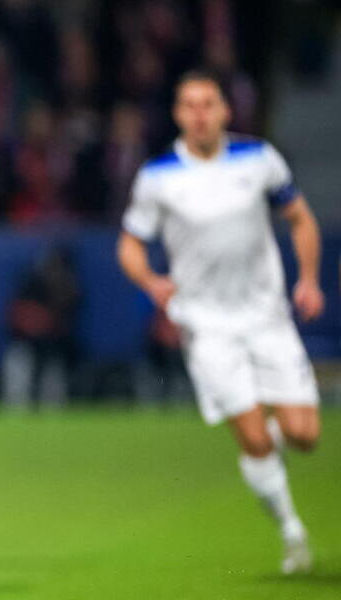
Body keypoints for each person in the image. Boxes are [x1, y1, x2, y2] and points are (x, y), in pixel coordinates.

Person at [117, 69, 323, 575]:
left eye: (208, 103)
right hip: (205, 324)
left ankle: (266, 445)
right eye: (189, 105)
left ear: (226, 111)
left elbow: (300, 218)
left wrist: (309, 279)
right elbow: (130, 243)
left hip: (267, 316)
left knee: (304, 434)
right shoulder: (159, 176)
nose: (200, 114)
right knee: (253, 439)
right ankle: (292, 532)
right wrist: (150, 281)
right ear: (177, 114)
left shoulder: (259, 159)